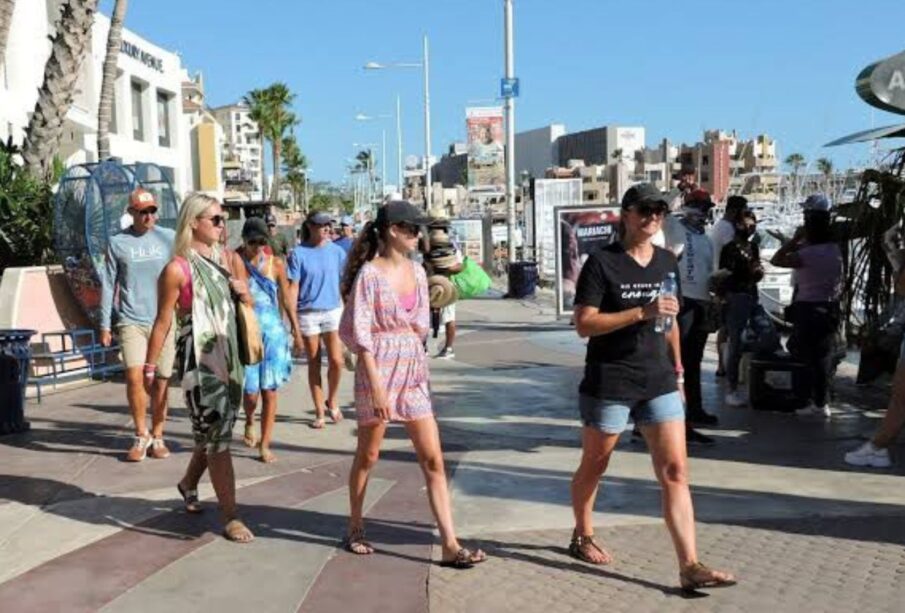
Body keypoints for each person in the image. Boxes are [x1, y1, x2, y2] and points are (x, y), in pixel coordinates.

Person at [568, 183, 735, 591]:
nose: (652, 217)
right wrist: (639, 312)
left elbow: (671, 319)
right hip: (611, 379)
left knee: (675, 471)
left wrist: (678, 372)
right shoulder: (602, 264)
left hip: (658, 380)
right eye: (644, 210)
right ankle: (582, 533)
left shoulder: (664, 261)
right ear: (625, 214)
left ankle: (689, 564)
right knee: (596, 463)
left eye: (659, 211)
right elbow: (584, 324)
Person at [338, 200, 487, 568]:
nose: (418, 235)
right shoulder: (369, 276)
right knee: (369, 455)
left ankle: (451, 544)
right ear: (393, 230)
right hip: (378, 370)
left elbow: (421, 327)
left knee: (433, 458)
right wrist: (376, 387)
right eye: (412, 228)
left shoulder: (419, 273)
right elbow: (358, 335)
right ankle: (355, 525)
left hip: (413, 369)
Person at [144, 193, 254, 543]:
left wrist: (243, 292)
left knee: (214, 434)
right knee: (218, 437)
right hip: (198, 361)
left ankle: (189, 483)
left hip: (229, 354)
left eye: (223, 219)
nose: (223, 226)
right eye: (216, 219)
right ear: (194, 223)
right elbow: (162, 321)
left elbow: (247, 303)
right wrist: (149, 366)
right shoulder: (177, 269)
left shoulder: (229, 259)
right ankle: (231, 516)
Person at [99, 188, 176, 462]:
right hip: (132, 320)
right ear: (131, 213)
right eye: (143, 211)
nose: (148, 216)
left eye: (152, 211)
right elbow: (109, 284)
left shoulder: (169, 238)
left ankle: (158, 435)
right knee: (135, 376)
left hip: (164, 321)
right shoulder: (117, 242)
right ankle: (140, 435)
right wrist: (105, 324)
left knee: (161, 381)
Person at [234, 218, 301, 463]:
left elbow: (286, 299)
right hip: (247, 331)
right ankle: (250, 419)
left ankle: (265, 443)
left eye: (262, 242)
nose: (258, 248)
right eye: (253, 242)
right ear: (244, 240)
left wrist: (296, 330)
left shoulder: (276, 264)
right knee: (251, 393)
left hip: (273, 332)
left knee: (269, 391)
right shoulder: (235, 261)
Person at [771, 194, 842, 418]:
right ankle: (822, 401)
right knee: (823, 356)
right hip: (829, 307)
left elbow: (776, 259)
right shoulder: (835, 250)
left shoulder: (805, 254)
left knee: (801, 351)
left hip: (808, 308)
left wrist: (793, 241)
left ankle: (813, 400)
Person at [665, 189, 719, 440]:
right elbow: (663, 210)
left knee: (694, 361)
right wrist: (679, 190)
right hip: (682, 301)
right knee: (679, 361)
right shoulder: (676, 229)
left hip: (701, 302)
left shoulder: (705, 238)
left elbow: (709, 271)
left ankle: (694, 410)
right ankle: (675, 415)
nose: (703, 211)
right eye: (698, 205)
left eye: (706, 206)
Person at [287, 211, 347, 429]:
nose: (326, 229)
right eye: (321, 225)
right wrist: (293, 324)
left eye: (328, 225)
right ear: (310, 226)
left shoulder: (338, 252)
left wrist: (349, 310)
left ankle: (332, 399)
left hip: (333, 310)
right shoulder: (298, 254)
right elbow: (293, 288)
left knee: (337, 361)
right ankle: (320, 411)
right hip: (308, 313)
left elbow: (343, 284)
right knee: (313, 363)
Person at [720, 211, 764, 407]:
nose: (750, 228)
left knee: (764, 334)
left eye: (753, 225)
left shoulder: (753, 246)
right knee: (736, 343)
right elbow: (726, 274)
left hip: (751, 295)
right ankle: (731, 387)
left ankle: (753, 380)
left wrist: (757, 273)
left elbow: (755, 271)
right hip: (736, 296)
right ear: (738, 225)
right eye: (747, 225)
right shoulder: (729, 248)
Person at [710, 196, 749, 377]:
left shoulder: (719, 226)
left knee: (724, 327)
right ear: (735, 211)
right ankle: (726, 366)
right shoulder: (727, 229)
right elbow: (736, 254)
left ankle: (722, 365)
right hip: (727, 281)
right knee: (728, 328)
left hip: (720, 278)